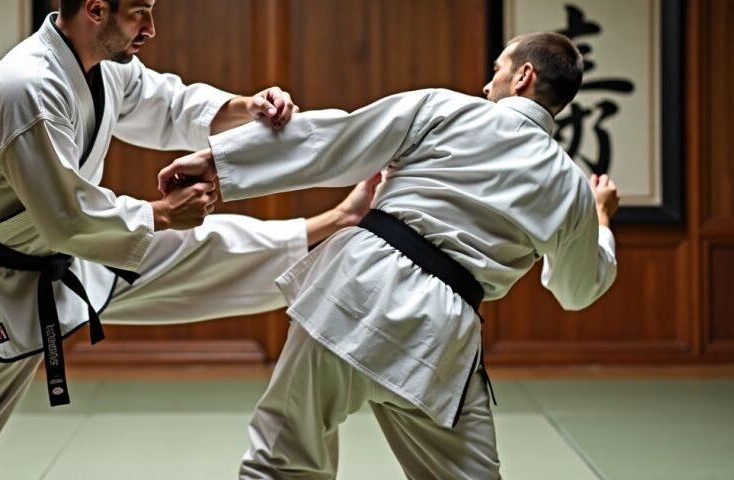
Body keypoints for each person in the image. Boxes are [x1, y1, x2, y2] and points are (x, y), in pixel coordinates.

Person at [0, 0, 381, 478]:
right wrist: (160, 214)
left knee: (202, 244)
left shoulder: (103, 67)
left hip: (70, 252)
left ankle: (335, 222)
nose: (150, 29)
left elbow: (171, 105)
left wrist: (248, 107)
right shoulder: (27, 88)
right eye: (140, 12)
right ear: (96, 10)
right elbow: (66, 215)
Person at [158, 31, 621, 479]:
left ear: (522, 77)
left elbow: (336, 140)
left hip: (353, 292)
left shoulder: (449, 108)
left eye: (496, 69)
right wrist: (600, 223)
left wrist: (218, 161)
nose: (486, 83)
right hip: (441, 335)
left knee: (284, 460)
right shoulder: (572, 189)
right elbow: (577, 290)